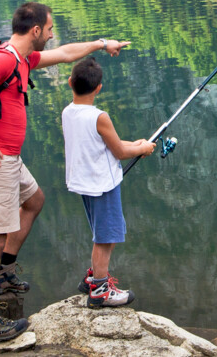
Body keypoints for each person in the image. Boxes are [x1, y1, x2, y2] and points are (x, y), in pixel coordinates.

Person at [0, 1, 130, 345]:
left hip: (10, 160)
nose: (52, 36)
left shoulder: (23, 59)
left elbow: (66, 54)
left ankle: (5, 271)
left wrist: (101, 43)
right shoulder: (4, 59)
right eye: (49, 30)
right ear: (35, 30)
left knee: (34, 200)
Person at [63, 57, 156, 308]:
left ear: (70, 83)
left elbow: (105, 145)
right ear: (99, 88)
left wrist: (136, 145)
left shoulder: (69, 112)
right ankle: (100, 290)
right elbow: (118, 152)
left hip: (84, 182)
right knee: (106, 236)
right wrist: (142, 149)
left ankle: (92, 278)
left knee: (102, 232)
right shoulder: (99, 116)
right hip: (102, 185)